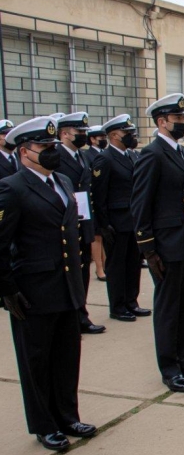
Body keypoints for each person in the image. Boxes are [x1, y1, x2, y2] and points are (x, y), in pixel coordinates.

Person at [0, 116, 97, 451]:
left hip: (68, 285)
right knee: (37, 361)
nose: (52, 151)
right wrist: (8, 290)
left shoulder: (64, 181)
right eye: (45, 147)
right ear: (25, 151)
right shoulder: (11, 188)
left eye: (55, 146)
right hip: (34, 290)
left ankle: (68, 416)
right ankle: (45, 425)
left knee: (67, 356)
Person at [131, 93, 184, 394]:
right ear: (162, 122)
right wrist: (148, 248)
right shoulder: (152, 154)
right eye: (177, 119)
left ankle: (183, 359)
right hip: (166, 245)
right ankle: (169, 366)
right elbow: (141, 204)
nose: (183, 123)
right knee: (168, 308)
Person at [92, 114, 151, 322]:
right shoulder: (105, 159)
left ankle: (131, 301)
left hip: (134, 220)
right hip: (116, 223)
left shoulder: (133, 156)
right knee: (117, 266)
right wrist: (103, 224)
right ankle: (118, 306)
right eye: (127, 133)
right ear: (114, 135)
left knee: (134, 263)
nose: (131, 136)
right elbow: (99, 196)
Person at [54, 112, 106, 335]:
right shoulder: (55, 156)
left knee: (83, 270)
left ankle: (81, 314)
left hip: (83, 219)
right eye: (79, 132)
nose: (83, 136)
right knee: (66, 273)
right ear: (64, 134)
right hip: (65, 222)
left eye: (85, 132)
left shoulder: (82, 156)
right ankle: (69, 317)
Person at [84, 125, 108, 281]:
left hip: (102, 200)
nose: (103, 140)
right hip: (92, 200)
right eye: (101, 137)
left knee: (102, 235)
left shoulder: (104, 154)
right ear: (92, 139)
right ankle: (99, 269)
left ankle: (104, 265)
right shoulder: (88, 155)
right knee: (96, 236)